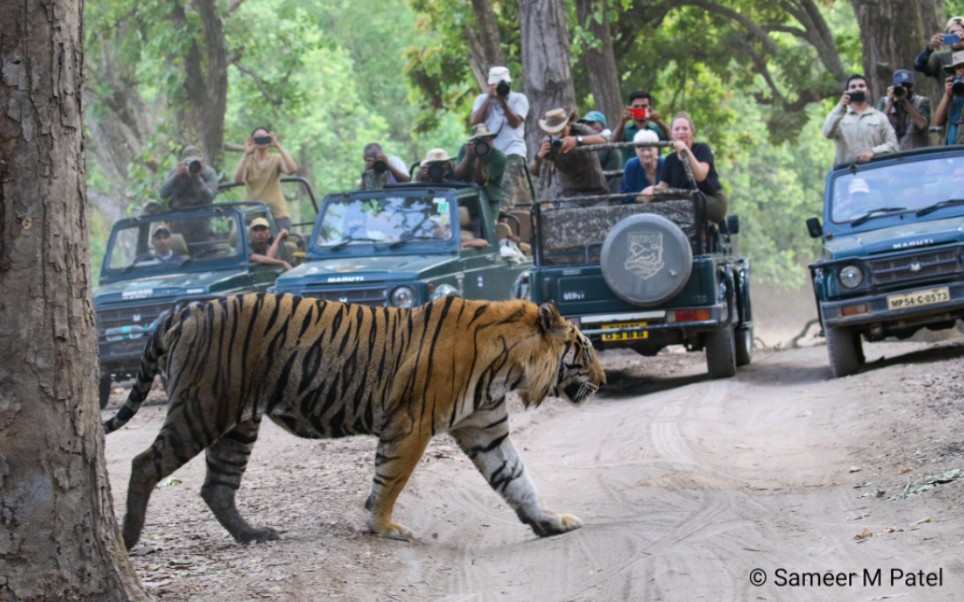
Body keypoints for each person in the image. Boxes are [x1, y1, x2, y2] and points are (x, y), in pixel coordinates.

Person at [640, 113, 728, 223]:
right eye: (677, 129)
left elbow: (700, 176)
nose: (681, 132)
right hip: (687, 202)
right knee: (659, 198)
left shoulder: (702, 149)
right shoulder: (670, 159)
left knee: (682, 197)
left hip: (711, 201)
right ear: (672, 133)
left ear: (691, 132)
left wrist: (686, 151)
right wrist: (651, 190)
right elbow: (663, 186)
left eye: (685, 129)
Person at [471, 66, 531, 208]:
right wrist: (489, 99)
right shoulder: (481, 99)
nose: (499, 88)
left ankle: (501, 213)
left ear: (509, 84)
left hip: (513, 150)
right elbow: (475, 122)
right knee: (483, 186)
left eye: (502, 85)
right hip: (490, 152)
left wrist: (504, 102)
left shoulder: (519, 99)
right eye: (495, 85)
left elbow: (516, 122)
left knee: (506, 191)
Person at [529, 108, 608, 201]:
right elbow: (534, 171)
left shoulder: (580, 129)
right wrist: (539, 156)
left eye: (562, 130)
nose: (560, 134)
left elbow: (605, 139)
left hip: (595, 190)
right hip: (568, 195)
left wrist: (578, 140)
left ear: (568, 125)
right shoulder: (548, 142)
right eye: (555, 132)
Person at [822, 75, 898, 167]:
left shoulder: (880, 117)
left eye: (861, 86)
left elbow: (894, 146)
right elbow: (827, 133)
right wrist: (840, 107)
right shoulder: (839, 117)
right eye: (853, 87)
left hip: (875, 172)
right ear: (847, 92)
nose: (857, 89)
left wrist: (873, 152)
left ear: (868, 91)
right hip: (847, 173)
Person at [233, 127, 299, 231]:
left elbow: (292, 169)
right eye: (258, 138)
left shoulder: (276, 159)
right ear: (252, 140)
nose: (261, 140)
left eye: (264, 137)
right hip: (252, 214)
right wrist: (246, 153)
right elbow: (238, 180)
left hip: (276, 213)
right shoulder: (248, 161)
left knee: (281, 243)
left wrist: (277, 146)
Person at [454, 124, 507, 215]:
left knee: (488, 228)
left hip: (488, 202)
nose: (483, 144)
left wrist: (479, 158)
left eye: (486, 139)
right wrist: (467, 157)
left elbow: (480, 180)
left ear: (492, 140)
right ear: (472, 142)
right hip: (467, 200)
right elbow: (456, 176)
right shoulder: (466, 150)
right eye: (478, 141)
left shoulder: (499, 157)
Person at [876, 69, 930, 151]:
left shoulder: (922, 101)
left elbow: (922, 125)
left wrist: (905, 102)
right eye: (900, 85)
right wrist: (890, 103)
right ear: (892, 86)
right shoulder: (884, 101)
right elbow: (877, 127)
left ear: (911, 87)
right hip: (890, 154)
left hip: (915, 153)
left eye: (907, 86)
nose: (904, 89)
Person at [611, 91, 671, 164]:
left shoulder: (656, 129)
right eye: (636, 106)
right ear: (630, 108)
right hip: (631, 172)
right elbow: (613, 144)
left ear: (650, 108)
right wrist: (622, 122)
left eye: (644, 106)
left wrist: (658, 120)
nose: (640, 109)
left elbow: (672, 137)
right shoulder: (625, 130)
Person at [577, 110, 622, 193]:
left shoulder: (607, 142)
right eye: (585, 124)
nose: (587, 126)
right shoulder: (589, 144)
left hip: (608, 195)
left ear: (602, 126)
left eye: (591, 123)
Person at [914, 16, 964, 88]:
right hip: (948, 98)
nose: (956, 35)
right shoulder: (939, 57)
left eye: (960, 32)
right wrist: (929, 48)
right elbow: (918, 66)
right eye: (952, 32)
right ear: (947, 35)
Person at [620, 129, 665, 200]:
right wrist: (639, 198)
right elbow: (625, 197)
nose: (646, 154)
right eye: (642, 150)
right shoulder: (631, 165)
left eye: (649, 149)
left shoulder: (664, 164)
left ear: (656, 149)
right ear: (636, 150)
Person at [933, 51, 964, 145]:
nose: (962, 70)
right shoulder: (952, 92)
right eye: (959, 67)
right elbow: (938, 122)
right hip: (951, 149)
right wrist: (947, 95)